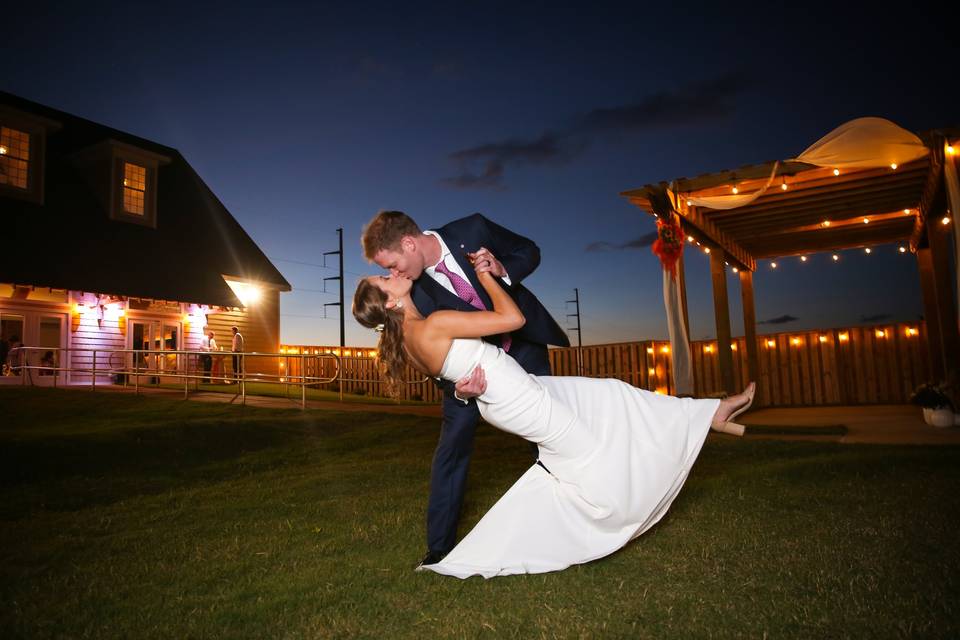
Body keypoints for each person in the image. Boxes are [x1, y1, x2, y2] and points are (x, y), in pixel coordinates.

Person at [352, 254, 754, 579]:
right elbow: (513, 320)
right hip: (517, 397)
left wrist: (460, 390)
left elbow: (451, 376)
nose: (391, 275)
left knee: (611, 395)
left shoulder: (406, 341)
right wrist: (487, 275)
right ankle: (607, 520)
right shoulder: (433, 325)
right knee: (589, 456)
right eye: (384, 281)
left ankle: (710, 412)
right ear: (390, 302)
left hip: (512, 391)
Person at [362, 210, 570, 569]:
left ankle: (563, 514)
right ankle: (439, 549)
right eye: (388, 272)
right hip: (470, 378)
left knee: (552, 430)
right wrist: (458, 389)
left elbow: (530, 250)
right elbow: (427, 354)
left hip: (521, 345)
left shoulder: (473, 229)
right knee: (450, 451)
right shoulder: (415, 295)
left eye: (393, 265)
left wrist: (502, 269)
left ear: (409, 243)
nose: (395, 274)